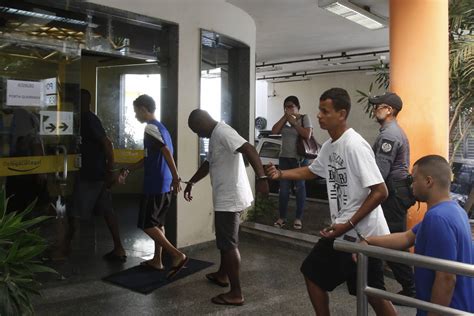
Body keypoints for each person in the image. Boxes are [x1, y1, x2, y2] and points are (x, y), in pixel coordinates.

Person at [266, 88, 396, 316]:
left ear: (342, 114)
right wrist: (281, 175)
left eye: (325, 111)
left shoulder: (355, 145)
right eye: (319, 110)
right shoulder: (329, 146)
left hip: (364, 234)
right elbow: (312, 171)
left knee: (370, 292)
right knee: (324, 277)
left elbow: (380, 191)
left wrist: (349, 224)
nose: (319, 115)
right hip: (346, 231)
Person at [363, 155, 474, 315]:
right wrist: (369, 241)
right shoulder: (454, 210)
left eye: (414, 179)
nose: (411, 185)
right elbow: (407, 237)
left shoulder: (437, 218)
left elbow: (446, 278)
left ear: (428, 181)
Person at [184, 109, 269, 306]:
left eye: (196, 130)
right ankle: (222, 275)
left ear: (201, 122)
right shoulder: (215, 135)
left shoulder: (222, 132)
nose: (198, 135)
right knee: (224, 240)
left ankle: (236, 292)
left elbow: (249, 148)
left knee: (229, 245)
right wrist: (191, 182)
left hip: (229, 198)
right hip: (226, 196)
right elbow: (208, 164)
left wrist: (262, 177)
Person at [119, 94, 187, 278]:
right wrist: (129, 169)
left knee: (147, 224)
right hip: (163, 184)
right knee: (158, 223)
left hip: (156, 184)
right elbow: (150, 157)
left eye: (136, 112)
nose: (135, 116)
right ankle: (157, 260)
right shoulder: (162, 129)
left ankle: (176, 255)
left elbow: (165, 151)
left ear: (143, 109)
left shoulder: (150, 128)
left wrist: (176, 177)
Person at [66, 89, 126, 261]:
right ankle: (119, 248)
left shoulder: (88, 119)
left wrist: (111, 170)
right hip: (97, 174)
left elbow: (107, 144)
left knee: (75, 212)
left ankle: (65, 248)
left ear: (83, 102)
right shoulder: (85, 119)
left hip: (92, 174)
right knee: (107, 211)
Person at [370, 92, 416, 298]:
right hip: (397, 191)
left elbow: (380, 172)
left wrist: (369, 193)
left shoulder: (389, 135)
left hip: (392, 193)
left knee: (392, 241)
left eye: (377, 106)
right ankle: (374, 278)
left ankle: (412, 288)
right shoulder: (391, 131)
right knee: (386, 237)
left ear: (389, 110)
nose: (374, 109)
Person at [271, 95, 313, 230]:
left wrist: (294, 122)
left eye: (291, 106)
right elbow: (274, 131)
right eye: (286, 107)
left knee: (300, 188)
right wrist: (285, 118)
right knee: (283, 190)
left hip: (299, 159)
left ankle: (298, 218)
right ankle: (282, 217)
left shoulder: (304, 118)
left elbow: (307, 135)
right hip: (284, 158)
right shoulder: (284, 120)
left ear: (297, 107)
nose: (288, 109)